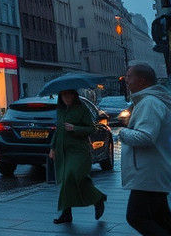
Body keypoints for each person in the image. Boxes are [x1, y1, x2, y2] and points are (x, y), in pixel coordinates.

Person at [119, 62, 171, 235]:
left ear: (141, 81)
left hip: (148, 173)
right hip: (152, 171)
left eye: (129, 76)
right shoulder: (149, 101)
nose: (126, 80)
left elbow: (146, 137)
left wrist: (124, 132)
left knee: (136, 217)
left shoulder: (149, 103)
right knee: (161, 220)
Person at [48, 88, 106, 224]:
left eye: (69, 94)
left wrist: (75, 128)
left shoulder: (82, 109)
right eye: (63, 95)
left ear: (74, 95)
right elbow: (58, 130)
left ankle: (96, 199)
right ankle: (67, 213)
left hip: (79, 152)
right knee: (68, 181)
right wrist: (53, 147)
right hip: (63, 151)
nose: (66, 97)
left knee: (70, 176)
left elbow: (92, 128)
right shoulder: (60, 110)